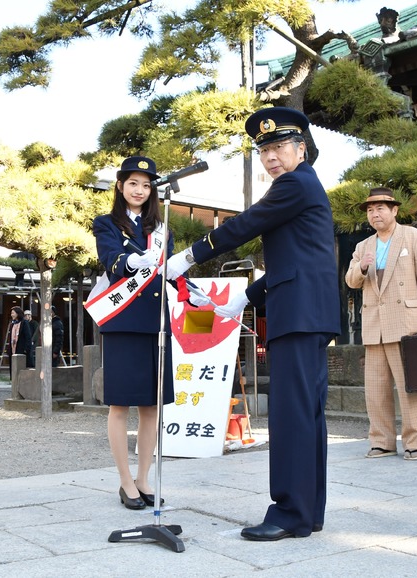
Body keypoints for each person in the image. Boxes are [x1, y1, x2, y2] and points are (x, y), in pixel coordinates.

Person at [163, 108, 341, 541]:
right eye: (264, 150)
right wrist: (244, 298)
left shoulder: (295, 184)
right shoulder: (302, 188)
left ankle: (289, 513)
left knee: (291, 416)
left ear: (302, 148)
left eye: (279, 146)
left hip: (299, 315)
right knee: (306, 415)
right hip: (303, 310)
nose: (271, 157)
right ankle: (307, 511)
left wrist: (188, 256)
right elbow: (294, 261)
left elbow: (246, 224)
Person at [92, 155, 178, 511]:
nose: (140, 190)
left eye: (146, 185)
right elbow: (111, 259)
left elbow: (170, 270)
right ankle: (125, 482)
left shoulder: (163, 227)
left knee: (151, 406)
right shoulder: (106, 223)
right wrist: (131, 262)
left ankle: (144, 478)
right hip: (123, 320)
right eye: (133, 183)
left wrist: (188, 286)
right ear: (120, 185)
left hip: (155, 321)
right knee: (119, 404)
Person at [345, 187, 417, 461]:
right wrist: (362, 267)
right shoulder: (363, 246)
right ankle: (382, 441)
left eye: (380, 208)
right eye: (370, 210)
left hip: (406, 323)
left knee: (410, 386)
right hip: (375, 325)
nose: (375, 214)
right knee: (375, 390)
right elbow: (351, 281)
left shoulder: (413, 237)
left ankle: (414, 443)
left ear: (394, 210)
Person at [6, 306, 32, 374]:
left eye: (13, 313)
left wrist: (26, 349)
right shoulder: (12, 324)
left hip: (21, 349)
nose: (12, 315)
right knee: (13, 369)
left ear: (18, 313)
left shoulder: (24, 323)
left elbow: (28, 337)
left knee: (21, 369)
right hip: (13, 349)